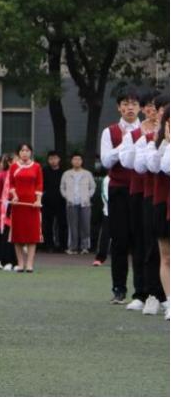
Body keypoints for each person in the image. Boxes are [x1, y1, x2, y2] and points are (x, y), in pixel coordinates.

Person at [126, 93, 168, 315]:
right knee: (153, 247)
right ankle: (152, 293)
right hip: (157, 197)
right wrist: (159, 142)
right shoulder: (148, 139)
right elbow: (146, 166)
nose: (156, 112)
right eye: (157, 109)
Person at [100, 88, 143, 304]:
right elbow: (106, 161)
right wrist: (124, 146)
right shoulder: (111, 132)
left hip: (140, 190)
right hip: (118, 189)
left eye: (134, 104)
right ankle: (119, 288)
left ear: (141, 108)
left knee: (140, 240)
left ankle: (142, 290)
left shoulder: (146, 131)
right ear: (119, 107)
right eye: (126, 104)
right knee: (119, 240)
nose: (130, 108)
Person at [7, 143, 43, 273]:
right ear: (18, 153)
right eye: (22, 150)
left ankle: (29, 264)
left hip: (32, 205)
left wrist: (38, 200)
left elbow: (39, 184)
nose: (25, 153)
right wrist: (14, 196)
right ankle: (20, 264)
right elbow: (11, 184)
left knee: (32, 235)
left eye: (27, 150)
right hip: (18, 205)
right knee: (18, 235)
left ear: (31, 152)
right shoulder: (14, 167)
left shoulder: (36, 167)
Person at [61, 153, 95, 255]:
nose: (77, 161)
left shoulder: (87, 174)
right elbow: (62, 187)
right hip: (71, 203)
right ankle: (73, 247)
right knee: (73, 226)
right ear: (71, 161)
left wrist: (88, 196)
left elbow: (93, 187)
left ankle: (85, 247)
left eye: (79, 159)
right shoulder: (66, 174)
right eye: (74, 159)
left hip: (85, 203)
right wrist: (66, 196)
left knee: (85, 225)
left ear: (82, 161)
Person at [41, 151, 67, 252]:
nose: (53, 161)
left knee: (62, 224)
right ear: (48, 160)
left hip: (61, 201)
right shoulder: (44, 171)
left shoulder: (63, 172)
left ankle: (62, 246)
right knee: (47, 225)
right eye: (51, 159)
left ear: (59, 159)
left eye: (55, 158)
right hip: (47, 201)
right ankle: (49, 245)